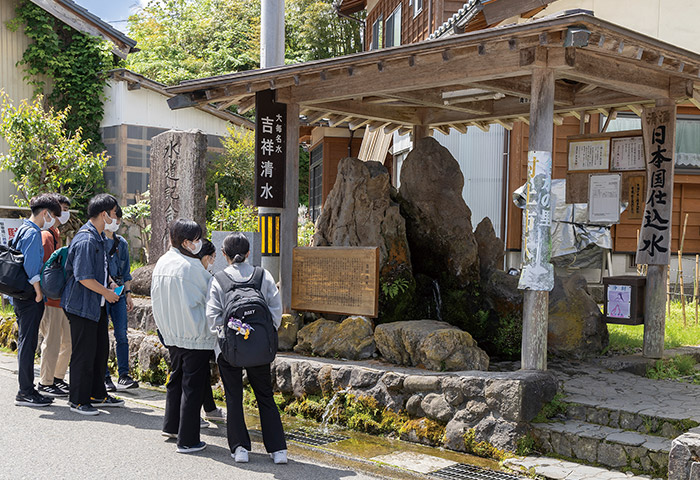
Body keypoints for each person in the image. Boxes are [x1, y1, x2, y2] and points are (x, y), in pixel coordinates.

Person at [206, 233, 287, 464]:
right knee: (265, 396)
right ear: (249, 253)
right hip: (260, 350)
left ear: (224, 255)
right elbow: (275, 311)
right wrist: (262, 337)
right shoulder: (263, 275)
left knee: (234, 398)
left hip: (229, 352)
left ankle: (240, 449)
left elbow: (213, 318)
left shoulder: (219, 279)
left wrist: (228, 338)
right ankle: (278, 450)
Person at [151, 219, 215, 454]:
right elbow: (210, 298)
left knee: (176, 379)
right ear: (187, 242)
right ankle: (188, 440)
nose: (199, 244)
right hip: (194, 334)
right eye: (197, 239)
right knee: (192, 386)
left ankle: (171, 426)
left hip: (170, 332)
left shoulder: (163, 263)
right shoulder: (192, 268)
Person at [61, 193, 125, 416]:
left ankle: (97, 394)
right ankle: (78, 400)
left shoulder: (98, 237)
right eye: (115, 214)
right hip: (81, 305)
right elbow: (84, 277)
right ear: (104, 214)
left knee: (99, 351)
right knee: (83, 353)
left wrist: (110, 282)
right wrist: (107, 293)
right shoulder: (87, 239)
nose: (117, 218)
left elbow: (100, 271)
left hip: (94, 305)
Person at [12, 194, 62, 407]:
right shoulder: (33, 233)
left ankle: (27, 389)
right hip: (30, 294)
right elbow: (32, 267)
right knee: (28, 341)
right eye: (53, 215)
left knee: (27, 340)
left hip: (18, 293)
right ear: (45, 213)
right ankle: (25, 391)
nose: (54, 219)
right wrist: (39, 292)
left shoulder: (22, 228)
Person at [37, 194, 73, 397]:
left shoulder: (55, 233)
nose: (64, 212)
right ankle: (46, 382)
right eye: (62, 208)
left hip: (61, 299)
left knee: (67, 341)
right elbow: (45, 270)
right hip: (51, 300)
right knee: (51, 341)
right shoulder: (46, 236)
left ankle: (58, 378)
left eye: (67, 208)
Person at [103, 205, 138, 392]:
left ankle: (124, 375)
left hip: (120, 293)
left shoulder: (121, 243)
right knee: (103, 336)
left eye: (118, 219)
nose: (116, 222)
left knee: (122, 334)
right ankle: (105, 376)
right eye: (114, 218)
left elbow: (126, 272)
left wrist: (128, 294)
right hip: (102, 291)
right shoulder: (98, 240)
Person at [196, 239, 226, 423]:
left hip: (202, 331)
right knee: (197, 373)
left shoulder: (203, 274)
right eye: (213, 257)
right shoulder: (202, 276)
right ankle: (197, 413)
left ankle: (209, 408)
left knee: (202, 372)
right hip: (199, 331)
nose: (213, 260)